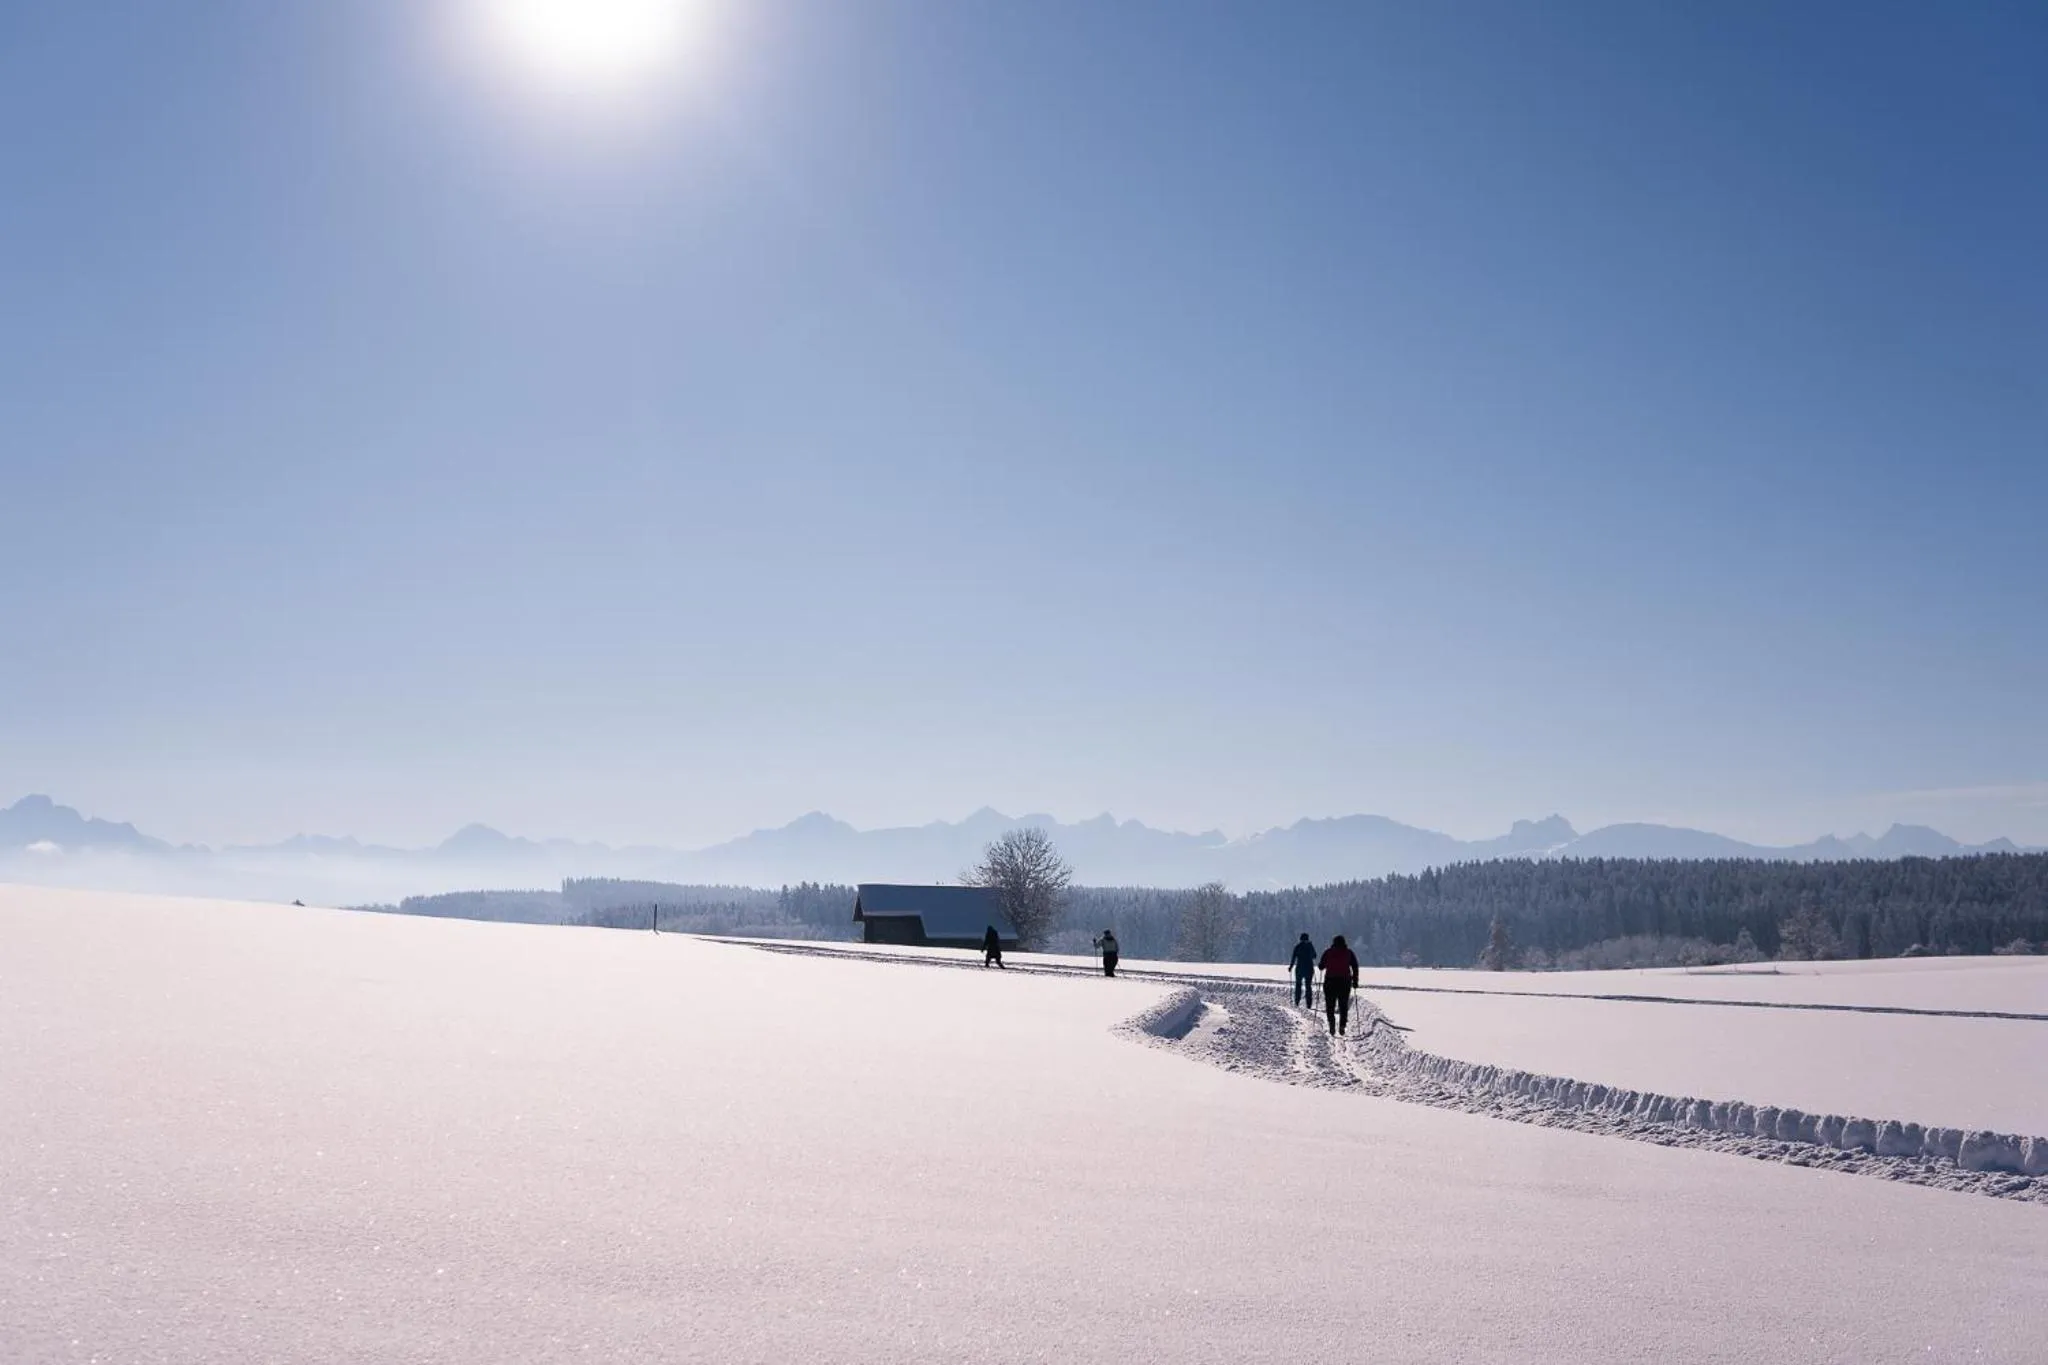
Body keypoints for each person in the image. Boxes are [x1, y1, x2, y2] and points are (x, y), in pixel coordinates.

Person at [1319, 934, 1360, 1036]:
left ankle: (1332, 1024)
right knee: (1343, 1005)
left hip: (1330, 981)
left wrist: (1321, 965)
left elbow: (1321, 966)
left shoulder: (1328, 952)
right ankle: (1342, 1025)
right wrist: (1355, 981)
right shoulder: (1349, 953)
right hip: (1344, 982)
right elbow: (1355, 966)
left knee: (1330, 1005)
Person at [1288, 932, 1317, 1007]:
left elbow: (1293, 958)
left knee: (1298, 985)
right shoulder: (1310, 946)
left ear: (1300, 939)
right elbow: (1314, 956)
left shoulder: (1298, 946)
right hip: (1309, 968)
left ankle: (1297, 1002)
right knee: (1308, 986)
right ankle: (1309, 1004)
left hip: (1299, 969)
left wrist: (1291, 967)